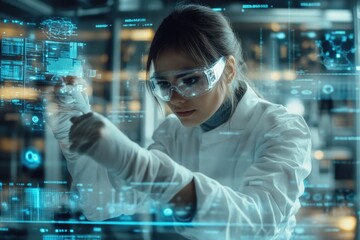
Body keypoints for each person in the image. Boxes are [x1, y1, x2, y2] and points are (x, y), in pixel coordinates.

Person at [46, 4, 312, 240]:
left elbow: (258, 225)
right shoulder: (173, 132)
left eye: (191, 80)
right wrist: (72, 133)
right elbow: (99, 204)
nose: (175, 99)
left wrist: (144, 168)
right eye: (163, 84)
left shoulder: (282, 128)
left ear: (228, 70)